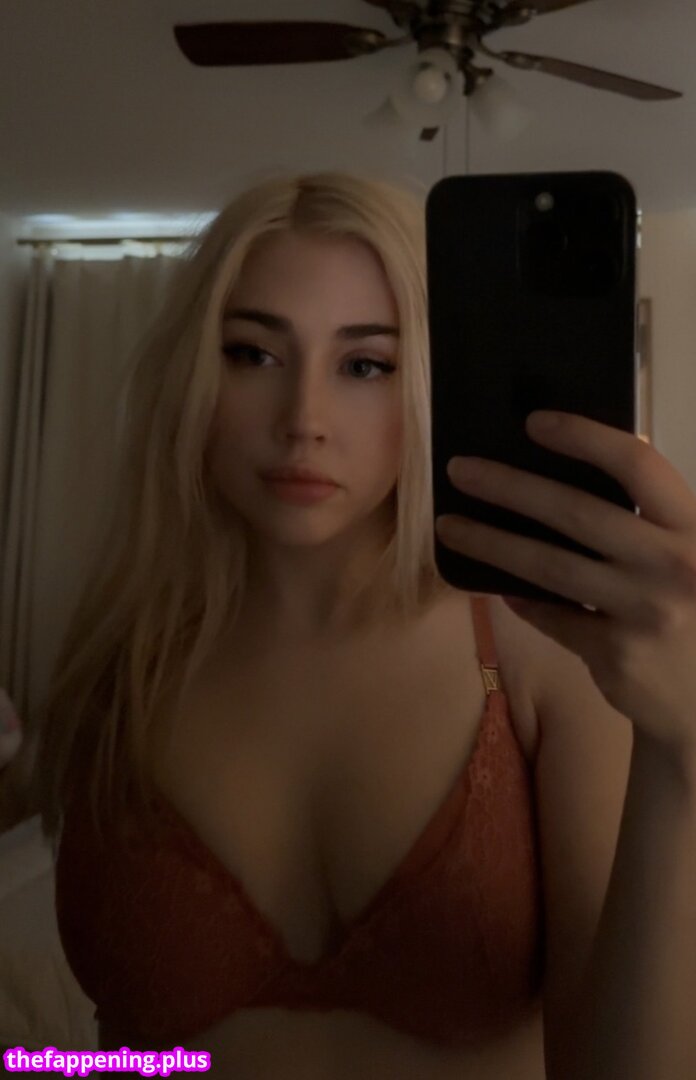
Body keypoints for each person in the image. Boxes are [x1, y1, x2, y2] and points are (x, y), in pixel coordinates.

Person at [30, 172, 696, 1079]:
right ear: (192, 374)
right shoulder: (121, 659)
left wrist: (681, 752)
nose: (303, 421)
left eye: (365, 365)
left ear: (431, 382)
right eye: (253, 354)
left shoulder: (536, 652)